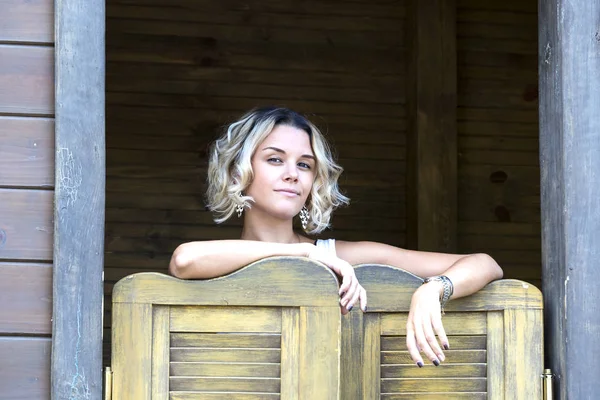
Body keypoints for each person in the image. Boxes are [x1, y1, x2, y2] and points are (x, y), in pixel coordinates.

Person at [169, 106, 503, 368]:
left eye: (304, 165)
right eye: (274, 159)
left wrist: (434, 289)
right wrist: (308, 256)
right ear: (240, 171)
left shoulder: (340, 253)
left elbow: (485, 264)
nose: (291, 174)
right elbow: (184, 261)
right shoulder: (229, 256)